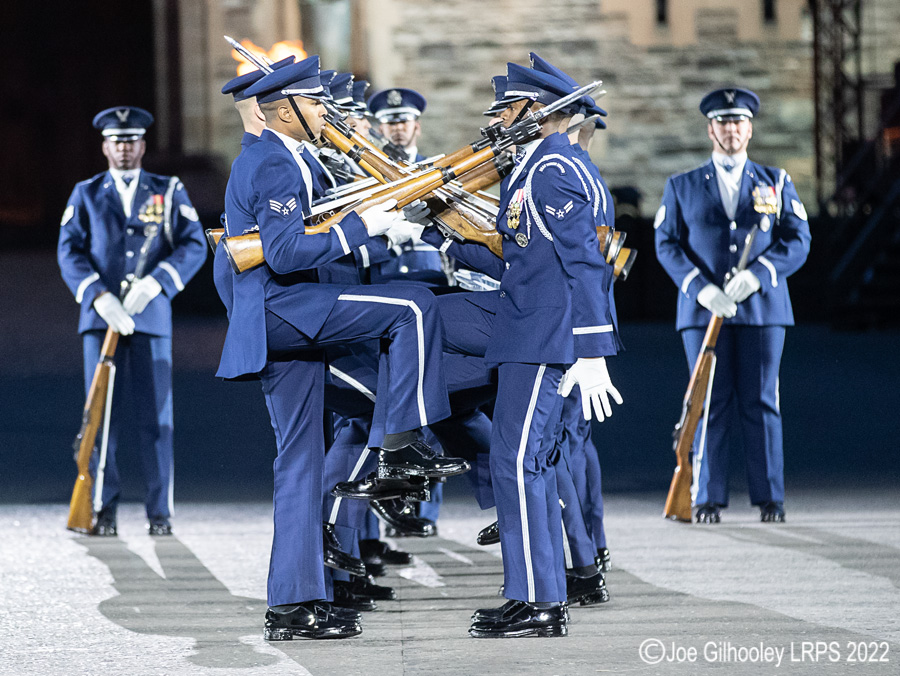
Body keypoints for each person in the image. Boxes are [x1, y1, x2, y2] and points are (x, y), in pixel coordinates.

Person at [214, 55, 465, 640]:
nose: (324, 111)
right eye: (314, 102)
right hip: (287, 311)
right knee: (413, 307)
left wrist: (371, 219)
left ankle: (295, 604)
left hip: (286, 315)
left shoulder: (290, 157)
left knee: (299, 464)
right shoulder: (273, 160)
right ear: (285, 111)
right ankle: (402, 446)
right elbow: (283, 254)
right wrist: (364, 226)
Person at [421, 61, 623, 638]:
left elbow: (585, 263)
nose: (499, 122)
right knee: (518, 464)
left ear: (536, 112)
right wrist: (438, 230)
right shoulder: (536, 167)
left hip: (543, 337)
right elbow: (521, 260)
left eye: (509, 110)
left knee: (519, 464)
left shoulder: (554, 169)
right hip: (528, 328)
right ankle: (532, 594)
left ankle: (540, 602)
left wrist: (591, 350)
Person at [654, 87, 811, 524]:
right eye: (723, 123)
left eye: (739, 122)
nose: (731, 130)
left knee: (762, 401)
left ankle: (770, 498)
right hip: (704, 312)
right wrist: (699, 288)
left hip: (761, 309)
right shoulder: (681, 186)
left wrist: (758, 275)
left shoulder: (775, 181)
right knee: (709, 402)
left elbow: (799, 239)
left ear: (750, 129)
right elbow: (666, 243)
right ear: (711, 130)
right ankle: (706, 497)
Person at [58, 106, 207, 537]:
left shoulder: (167, 189)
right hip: (101, 320)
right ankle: (102, 508)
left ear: (143, 145)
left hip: (150, 317)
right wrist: (98, 295)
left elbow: (193, 244)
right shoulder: (86, 193)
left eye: (131, 141)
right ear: (105, 147)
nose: (124, 149)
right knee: (100, 417)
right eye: (116, 142)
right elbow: (69, 250)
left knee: (158, 419)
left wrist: (159, 282)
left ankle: (160, 512)